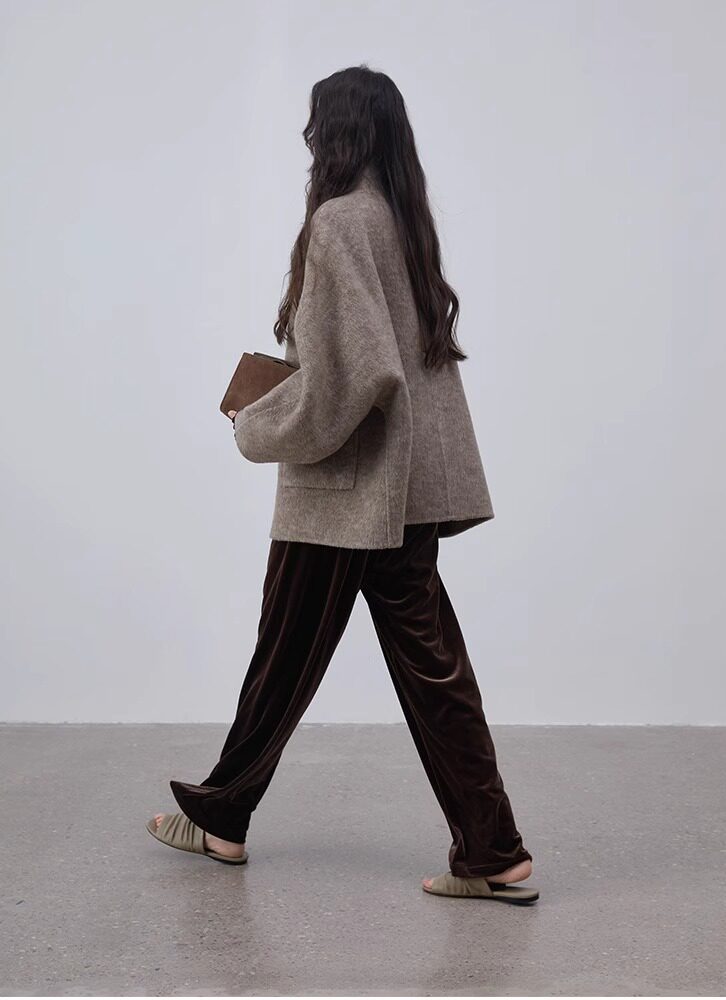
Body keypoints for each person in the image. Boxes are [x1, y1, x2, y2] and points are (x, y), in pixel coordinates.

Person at [146, 65, 538, 905]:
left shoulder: (337, 223)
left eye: (316, 126)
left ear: (336, 133)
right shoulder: (401, 220)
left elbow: (356, 378)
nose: (309, 140)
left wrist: (257, 424)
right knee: (433, 674)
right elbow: (395, 366)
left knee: (282, 659)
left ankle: (223, 817)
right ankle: (494, 852)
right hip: (406, 493)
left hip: (345, 493)